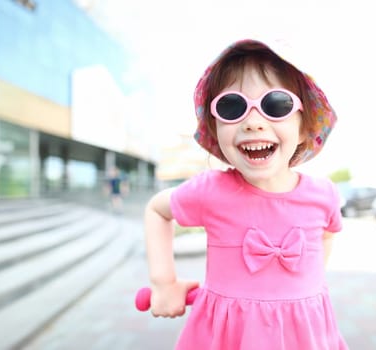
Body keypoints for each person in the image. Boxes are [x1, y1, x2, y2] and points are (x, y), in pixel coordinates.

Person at [144, 39, 347, 349]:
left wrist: (309, 283)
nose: (253, 122)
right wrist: (164, 282)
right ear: (214, 129)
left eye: (276, 104)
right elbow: (158, 210)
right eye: (232, 107)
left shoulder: (324, 195)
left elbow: (328, 235)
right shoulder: (210, 191)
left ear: (306, 127)